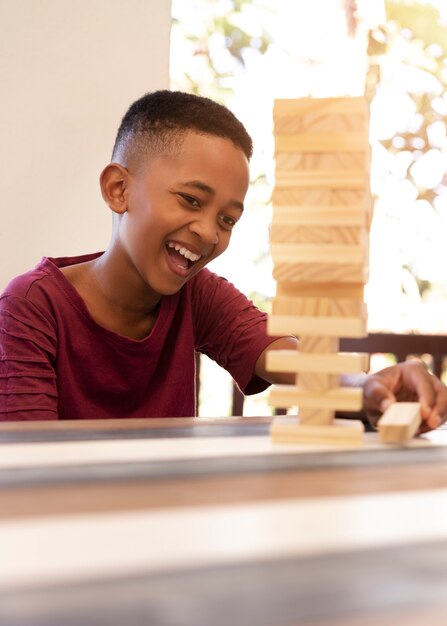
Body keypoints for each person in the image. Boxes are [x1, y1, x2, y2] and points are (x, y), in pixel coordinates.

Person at [0, 90, 446, 431]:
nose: (209, 233)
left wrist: (366, 387)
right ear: (119, 189)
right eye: (190, 199)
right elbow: (27, 456)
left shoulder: (198, 294)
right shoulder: (31, 306)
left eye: (228, 219)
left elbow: (286, 359)